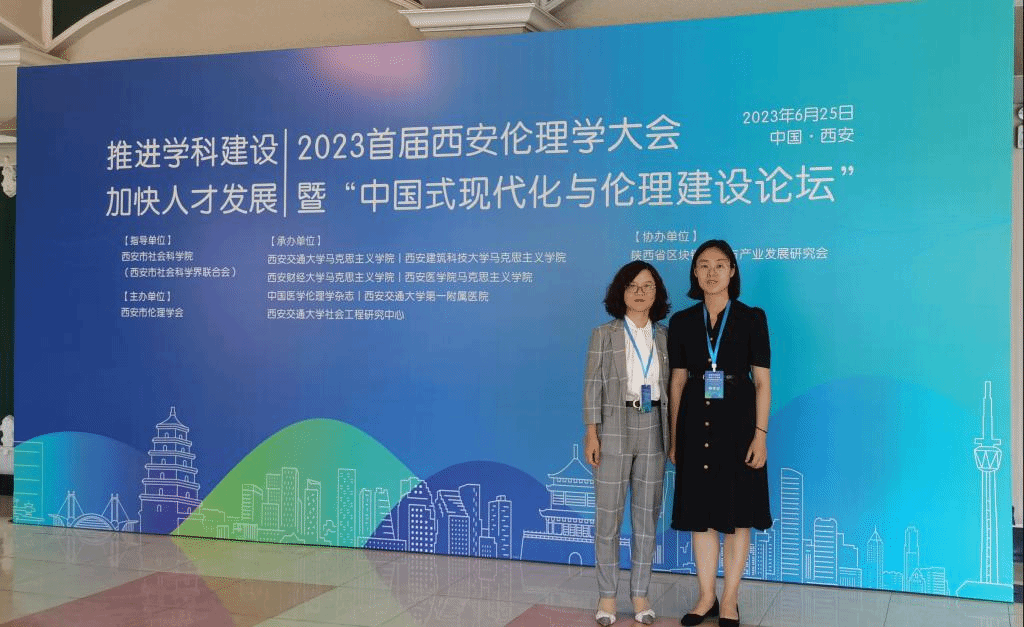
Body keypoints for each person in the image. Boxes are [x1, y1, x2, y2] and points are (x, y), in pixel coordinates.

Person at [667, 240, 772, 627]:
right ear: (695, 272)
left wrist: (760, 435)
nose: (711, 272)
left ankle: (730, 599)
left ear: (732, 271)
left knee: (738, 515)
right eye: (703, 265)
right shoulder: (681, 322)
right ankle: (706, 597)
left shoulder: (751, 318)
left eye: (720, 265)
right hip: (695, 423)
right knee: (701, 517)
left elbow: (762, 383)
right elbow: (677, 383)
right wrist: (675, 439)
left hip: (739, 424)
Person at [583, 260, 672, 626]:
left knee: (646, 516)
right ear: (621, 292)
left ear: (656, 293)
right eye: (632, 285)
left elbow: (674, 388)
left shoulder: (665, 336)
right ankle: (607, 595)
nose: (639, 292)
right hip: (614, 425)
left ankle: (640, 594)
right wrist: (592, 432)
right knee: (608, 515)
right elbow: (592, 386)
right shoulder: (603, 334)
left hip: (654, 426)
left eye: (647, 285)